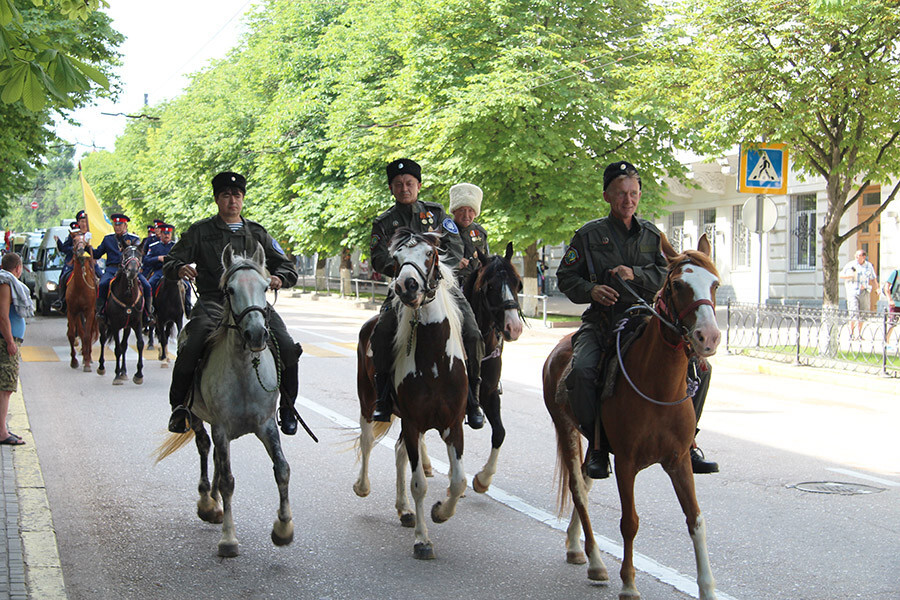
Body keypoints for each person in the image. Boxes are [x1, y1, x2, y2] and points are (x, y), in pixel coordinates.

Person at [556, 160, 719, 478]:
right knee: (584, 370)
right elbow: (565, 277)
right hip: (603, 320)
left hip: (647, 320)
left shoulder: (651, 235)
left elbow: (668, 271)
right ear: (607, 196)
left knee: (702, 368)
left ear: (639, 195)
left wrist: (636, 273)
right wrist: (592, 290)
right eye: (620, 193)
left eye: (633, 193)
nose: (627, 200)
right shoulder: (589, 236)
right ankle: (598, 446)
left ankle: (690, 440)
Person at [163, 171, 303, 436]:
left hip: (253, 304)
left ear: (242, 199)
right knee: (192, 347)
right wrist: (180, 267)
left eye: (236, 195)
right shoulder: (200, 232)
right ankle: (179, 407)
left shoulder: (258, 233)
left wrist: (278, 278)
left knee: (286, 345)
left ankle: (287, 407)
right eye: (226, 195)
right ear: (217, 199)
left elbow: (287, 268)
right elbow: (171, 261)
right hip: (213, 304)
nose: (232, 201)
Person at [368, 158, 485, 428]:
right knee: (381, 334)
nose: (404, 188)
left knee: (473, 334)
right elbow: (377, 258)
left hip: (442, 287)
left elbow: (455, 246)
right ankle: (384, 399)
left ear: (419, 186)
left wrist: (436, 269)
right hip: (403, 290)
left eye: (409, 183)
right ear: (391, 188)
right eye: (398, 185)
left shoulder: (437, 214)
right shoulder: (384, 222)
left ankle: (474, 400)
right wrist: (404, 270)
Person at [93, 213, 153, 324]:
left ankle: (148, 314)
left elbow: (139, 253)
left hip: (130, 270)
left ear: (125, 226)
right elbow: (97, 254)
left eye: (120, 225)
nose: (117, 227)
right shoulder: (108, 239)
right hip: (112, 269)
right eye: (116, 225)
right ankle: (101, 312)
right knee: (103, 284)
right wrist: (87, 247)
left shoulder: (134, 239)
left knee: (147, 285)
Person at [0, 252, 33, 446]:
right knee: (5, 387)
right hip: (6, 342)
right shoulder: (6, 283)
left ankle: (2, 426)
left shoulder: (8, 282)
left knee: (6, 386)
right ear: (18, 268)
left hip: (8, 340)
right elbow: (3, 316)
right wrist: (10, 341)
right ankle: (2, 432)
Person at [51, 212, 100, 312]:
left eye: (86, 221)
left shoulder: (92, 234)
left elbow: (98, 250)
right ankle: (61, 301)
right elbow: (65, 248)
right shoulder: (74, 234)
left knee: (102, 277)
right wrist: (75, 247)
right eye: (82, 221)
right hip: (74, 262)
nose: (84, 224)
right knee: (63, 277)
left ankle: (101, 303)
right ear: (78, 222)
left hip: (89, 262)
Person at [144, 223, 192, 314]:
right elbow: (146, 260)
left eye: (168, 233)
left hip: (174, 272)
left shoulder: (176, 246)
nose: (167, 235)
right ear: (161, 234)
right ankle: (151, 308)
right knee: (150, 284)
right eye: (165, 233)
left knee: (187, 286)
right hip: (159, 271)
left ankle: (187, 307)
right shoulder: (154, 246)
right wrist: (158, 258)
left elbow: (183, 259)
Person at [449, 182, 490, 286]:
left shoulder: (480, 233)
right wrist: (454, 264)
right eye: (462, 210)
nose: (466, 215)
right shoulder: (444, 231)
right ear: (454, 211)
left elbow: (486, 261)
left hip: (474, 286)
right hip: (450, 284)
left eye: (471, 210)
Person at [840, 249, 877, 341]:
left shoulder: (868, 266)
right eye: (856, 256)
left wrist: (877, 288)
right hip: (853, 291)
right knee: (853, 312)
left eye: (858, 256)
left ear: (864, 257)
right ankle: (851, 334)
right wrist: (850, 276)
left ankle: (859, 334)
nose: (856, 258)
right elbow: (841, 275)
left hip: (864, 291)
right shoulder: (851, 265)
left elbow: (873, 278)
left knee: (863, 312)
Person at [881, 267, 900, 351]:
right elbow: (886, 287)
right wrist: (890, 299)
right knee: (892, 322)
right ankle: (886, 342)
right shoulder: (896, 273)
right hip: (895, 303)